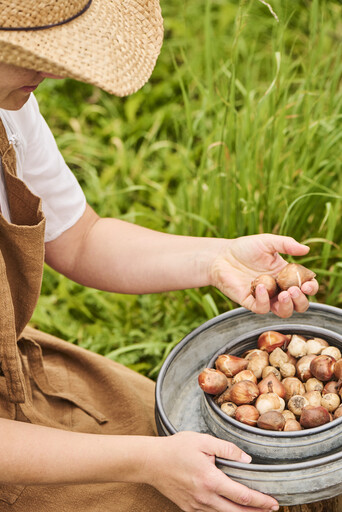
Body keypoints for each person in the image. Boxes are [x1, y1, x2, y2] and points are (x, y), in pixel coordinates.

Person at [0, 1, 318, 511]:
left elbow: (82, 239)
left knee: (206, 446)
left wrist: (218, 260)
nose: (53, 69)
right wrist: (146, 462)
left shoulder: (9, 109)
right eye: (25, 53)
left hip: (15, 373)